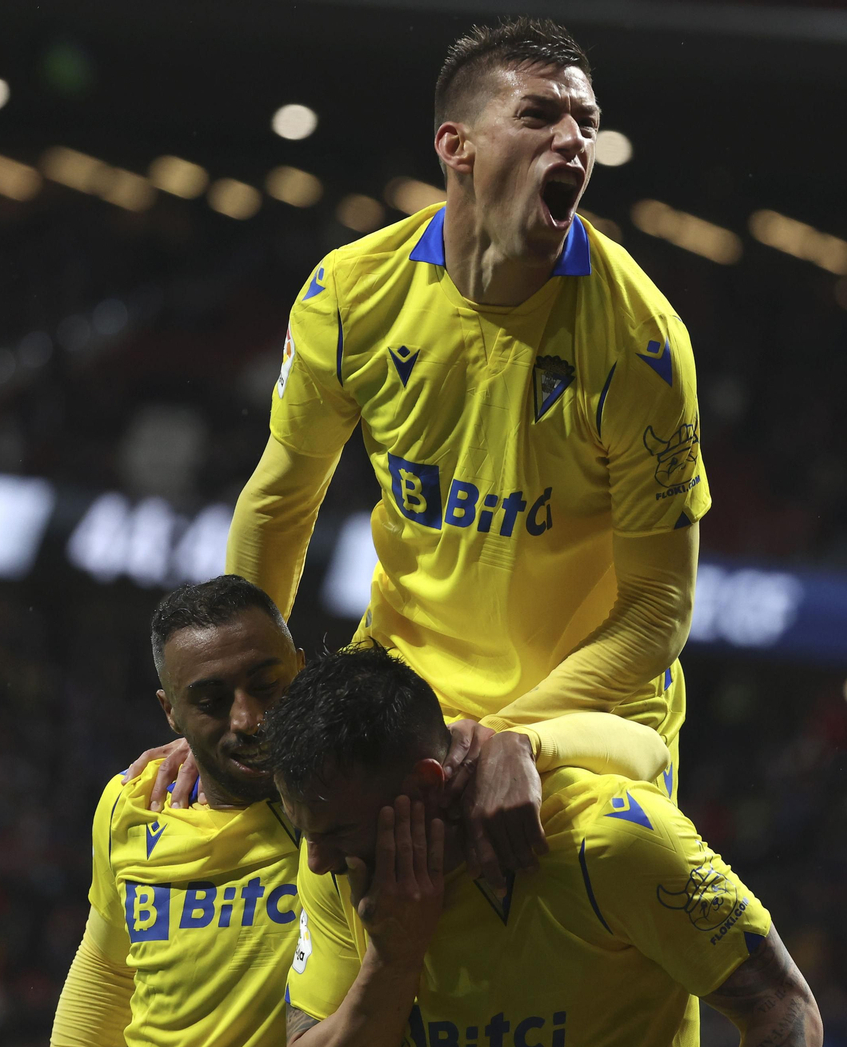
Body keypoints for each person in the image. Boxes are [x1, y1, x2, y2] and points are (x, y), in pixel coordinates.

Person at [224, 17, 708, 870]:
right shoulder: (350, 295)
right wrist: (247, 696)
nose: (574, 139)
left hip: (579, 717)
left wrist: (507, 738)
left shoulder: (641, 342)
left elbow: (657, 608)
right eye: (539, 115)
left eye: (587, 123)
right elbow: (280, 502)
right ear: (457, 144)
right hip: (406, 691)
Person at [49, 576, 670, 1047]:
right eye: (210, 703)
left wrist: (522, 744)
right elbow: (106, 975)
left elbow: (644, 750)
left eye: (266, 685)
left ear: (301, 666)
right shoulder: (133, 803)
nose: (248, 720)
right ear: (170, 714)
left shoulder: (358, 795)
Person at [272, 646, 823, 1047]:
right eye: (307, 834)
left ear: (426, 783)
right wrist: (393, 959)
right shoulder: (343, 868)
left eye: (339, 831)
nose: (316, 860)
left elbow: (783, 1006)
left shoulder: (612, 841)